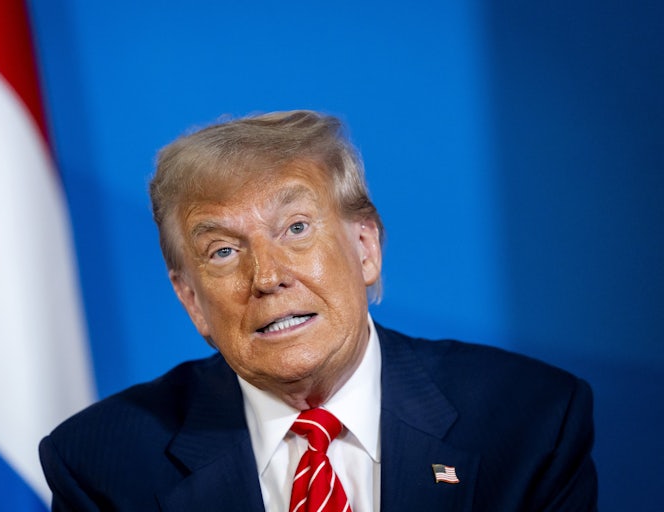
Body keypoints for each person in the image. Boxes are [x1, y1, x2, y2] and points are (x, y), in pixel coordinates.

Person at [39, 110, 598, 511]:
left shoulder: (528, 421)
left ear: (365, 248)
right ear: (192, 300)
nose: (268, 277)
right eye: (224, 251)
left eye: (297, 228)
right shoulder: (103, 464)